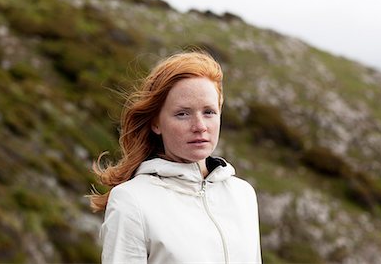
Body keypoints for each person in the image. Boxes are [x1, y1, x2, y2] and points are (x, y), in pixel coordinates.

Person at [89, 51, 262, 263]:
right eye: (183, 114)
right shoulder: (131, 200)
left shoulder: (242, 194)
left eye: (209, 112)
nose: (200, 126)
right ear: (156, 123)